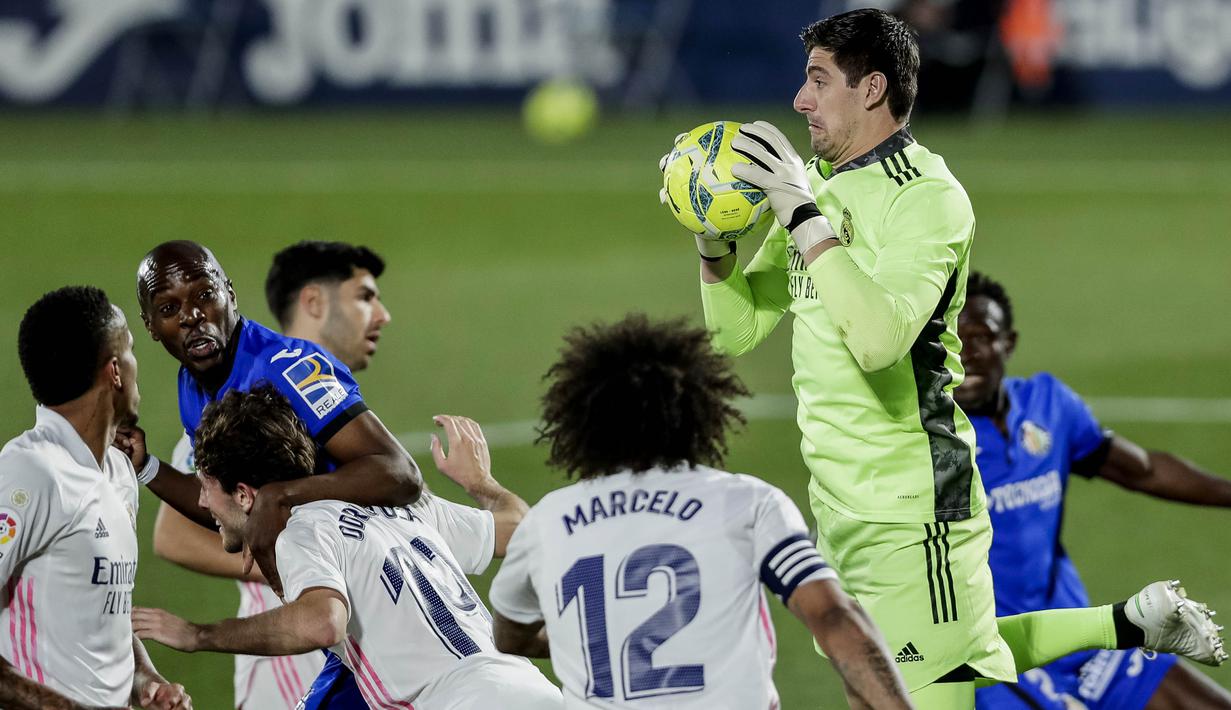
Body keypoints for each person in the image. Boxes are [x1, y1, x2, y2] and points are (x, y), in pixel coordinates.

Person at [672, 8, 1225, 708]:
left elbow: (878, 341)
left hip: (913, 508)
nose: (799, 100)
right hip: (840, 501)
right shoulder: (821, 184)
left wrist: (799, 212)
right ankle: (1129, 622)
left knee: (928, 676)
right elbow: (736, 332)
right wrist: (713, 240)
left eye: (818, 80)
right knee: (922, 664)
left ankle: (1126, 624)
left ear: (871, 89)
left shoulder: (926, 198)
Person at [488, 314, 914, 709]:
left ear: (581, 423)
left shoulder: (547, 521)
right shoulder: (746, 502)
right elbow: (833, 616)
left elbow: (509, 635)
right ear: (697, 413)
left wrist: (592, 638)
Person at [115, 240, 422, 706]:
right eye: (169, 308)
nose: (192, 316)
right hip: (336, 615)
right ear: (152, 327)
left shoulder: (287, 368)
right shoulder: (192, 386)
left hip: (381, 604)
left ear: (230, 294)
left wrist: (282, 496)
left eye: (204, 295)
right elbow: (229, 507)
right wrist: (147, 468)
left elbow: (400, 473)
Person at [133, 386, 562, 709]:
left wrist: (198, 634)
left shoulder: (301, 530)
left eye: (206, 486)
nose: (202, 501)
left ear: (245, 495)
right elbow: (518, 531)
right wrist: (482, 483)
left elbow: (322, 623)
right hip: (537, 693)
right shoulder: (406, 506)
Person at [956, 272, 1231, 710]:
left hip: (1082, 636)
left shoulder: (1048, 405)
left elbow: (1143, 471)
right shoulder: (930, 443)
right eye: (952, 338)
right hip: (999, 658)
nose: (965, 352)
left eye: (980, 336)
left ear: (1009, 343)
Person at [1, 286, 190, 710]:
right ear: (115, 372)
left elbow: (106, 617)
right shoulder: (31, 473)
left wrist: (146, 682)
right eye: (131, 350)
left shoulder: (119, 472)